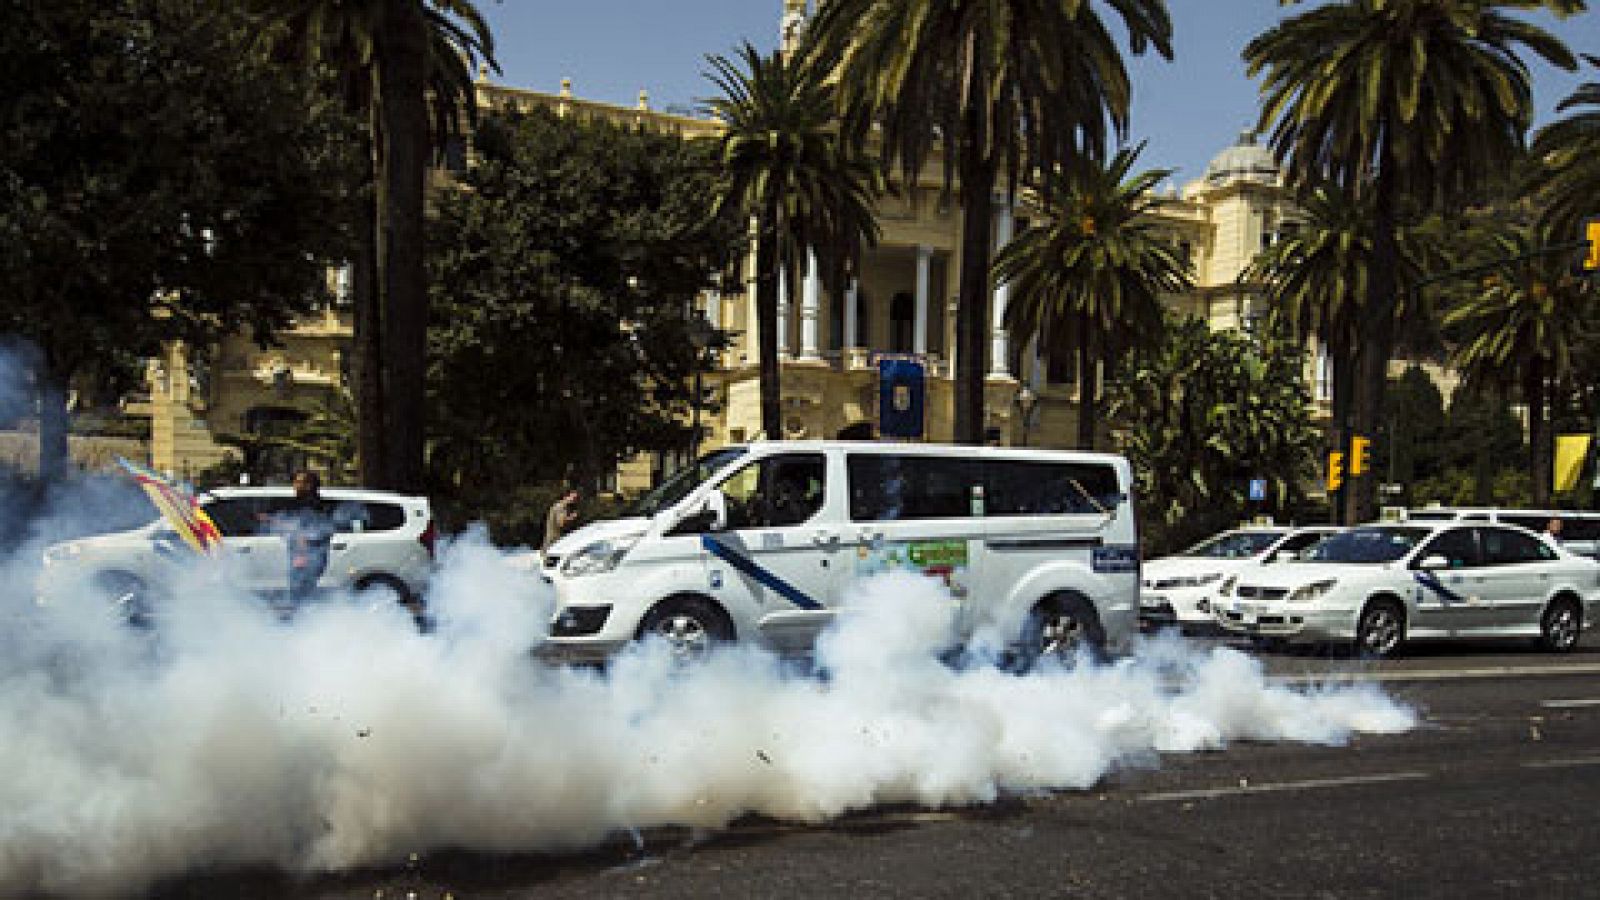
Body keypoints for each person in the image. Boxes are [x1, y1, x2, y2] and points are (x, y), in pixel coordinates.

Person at [276, 470, 334, 612]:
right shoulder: (302, 503)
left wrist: (302, 553)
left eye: (300, 482)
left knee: (301, 594)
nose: (295, 485)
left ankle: (302, 624)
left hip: (306, 556)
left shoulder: (313, 505)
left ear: (309, 485)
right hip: (304, 555)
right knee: (301, 594)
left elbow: (321, 530)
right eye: (295, 482)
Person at [543, 487, 581, 554]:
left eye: (576, 498)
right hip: (554, 543)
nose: (575, 500)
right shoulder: (561, 507)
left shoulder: (562, 506)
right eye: (573, 497)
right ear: (567, 496)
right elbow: (561, 523)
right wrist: (572, 517)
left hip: (555, 543)